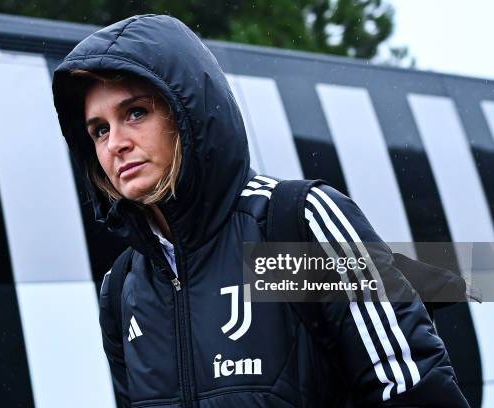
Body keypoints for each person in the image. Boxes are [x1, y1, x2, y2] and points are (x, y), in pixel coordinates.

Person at [52, 14, 469, 408]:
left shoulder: (287, 227)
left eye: (136, 112)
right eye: (99, 130)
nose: (115, 143)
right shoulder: (124, 286)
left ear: (188, 111)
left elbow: (408, 390)